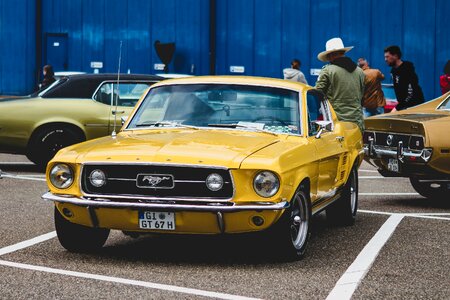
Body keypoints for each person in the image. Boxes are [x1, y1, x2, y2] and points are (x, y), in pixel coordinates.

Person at [314, 37, 365, 132]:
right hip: (357, 123)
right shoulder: (360, 72)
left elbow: (317, 94)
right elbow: (361, 96)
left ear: (332, 55)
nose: (328, 59)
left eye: (328, 56)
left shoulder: (327, 70)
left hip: (336, 123)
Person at [384, 45, 424, 111]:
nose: (385, 59)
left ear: (395, 56)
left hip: (414, 106)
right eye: (385, 57)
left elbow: (411, 92)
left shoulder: (407, 69)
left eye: (387, 57)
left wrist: (399, 107)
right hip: (404, 106)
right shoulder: (394, 71)